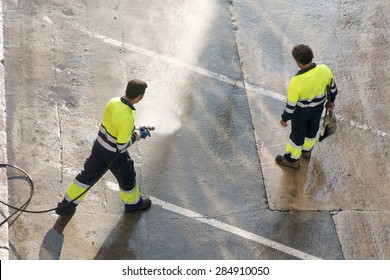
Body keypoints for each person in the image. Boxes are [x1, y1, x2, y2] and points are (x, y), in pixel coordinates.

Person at [55, 79, 153, 215]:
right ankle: (133, 205)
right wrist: (138, 135)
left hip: (99, 147)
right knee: (127, 177)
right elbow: (122, 146)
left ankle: (65, 206)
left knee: (86, 177)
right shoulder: (127, 117)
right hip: (115, 155)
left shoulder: (113, 102)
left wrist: (134, 129)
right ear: (139, 97)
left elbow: (114, 126)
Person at [276, 44, 338, 169]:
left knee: (297, 135)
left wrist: (284, 118)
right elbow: (333, 89)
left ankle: (292, 159)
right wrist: (330, 102)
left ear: (298, 62)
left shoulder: (296, 81)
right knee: (312, 129)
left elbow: (291, 106)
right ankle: (307, 151)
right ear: (311, 56)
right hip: (318, 109)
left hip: (301, 113)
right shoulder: (324, 70)